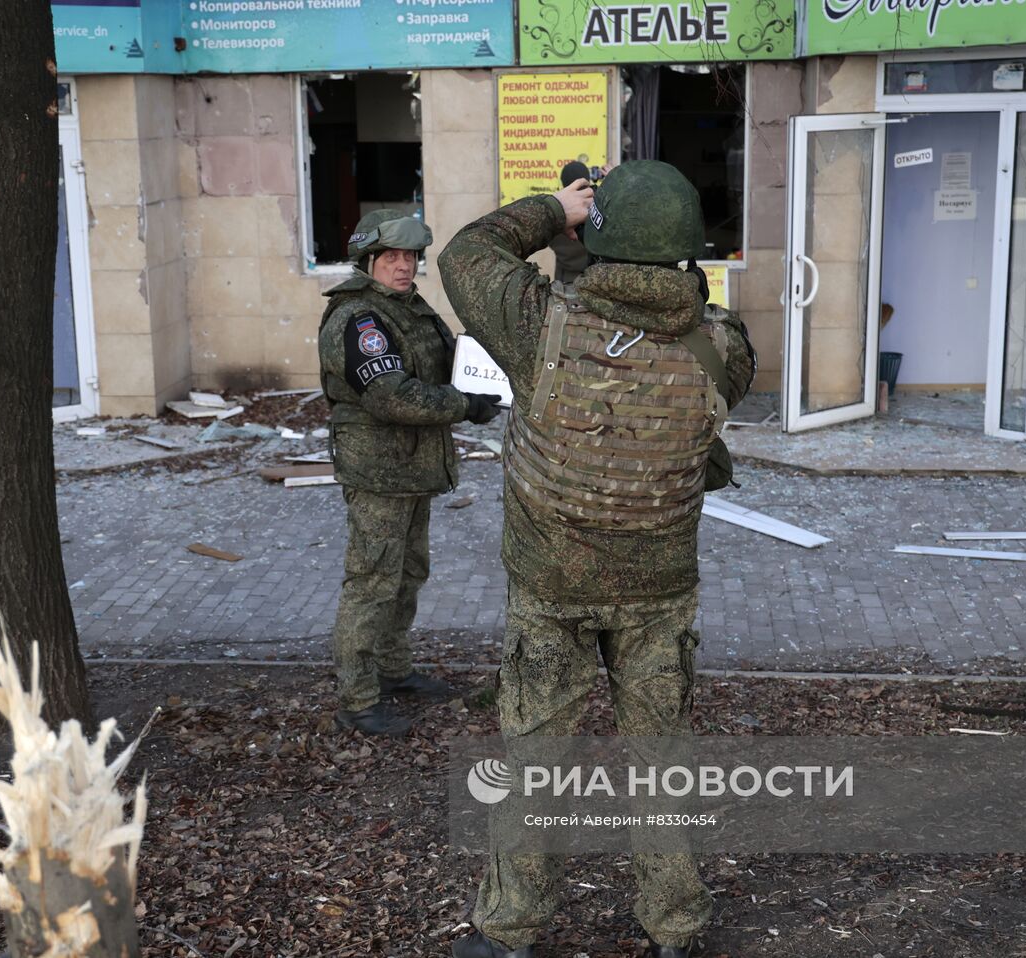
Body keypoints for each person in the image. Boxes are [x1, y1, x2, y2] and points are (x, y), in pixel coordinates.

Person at [438, 162, 757, 957]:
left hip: (551, 591)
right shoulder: (726, 349)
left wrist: (561, 209)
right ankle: (676, 927)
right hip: (658, 592)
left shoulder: (534, 322)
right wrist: (617, 229)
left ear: (600, 237)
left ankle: (510, 932)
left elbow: (468, 253)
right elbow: (670, 318)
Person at [317, 209, 504, 738]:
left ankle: (394, 671)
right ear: (368, 260)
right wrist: (464, 404)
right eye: (393, 257)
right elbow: (389, 395)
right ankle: (357, 699)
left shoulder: (405, 307)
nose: (405, 267)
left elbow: (441, 365)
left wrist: (483, 375)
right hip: (379, 470)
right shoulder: (360, 319)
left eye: (411, 257)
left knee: (407, 575)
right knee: (372, 582)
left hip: (412, 467)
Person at [546, 161, 591, 284]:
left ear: (563, 183)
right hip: (594, 281)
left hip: (565, 281)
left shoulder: (555, 211)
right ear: (587, 180)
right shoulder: (601, 207)